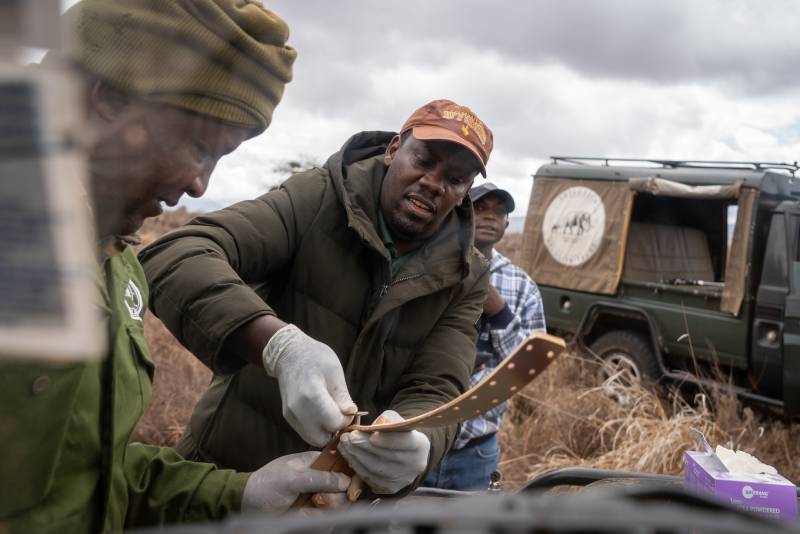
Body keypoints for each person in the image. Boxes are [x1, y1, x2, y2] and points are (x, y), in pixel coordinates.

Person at [0, 2, 351, 533]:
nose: (198, 185)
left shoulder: (117, 264)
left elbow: (88, 476)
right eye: (200, 148)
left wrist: (241, 494)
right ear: (111, 99)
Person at [138, 99, 495, 496]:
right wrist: (278, 346)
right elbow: (175, 254)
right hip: (225, 478)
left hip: (339, 505)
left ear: (465, 192)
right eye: (424, 159)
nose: (433, 182)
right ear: (394, 150)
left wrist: (420, 439)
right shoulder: (320, 198)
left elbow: (438, 386)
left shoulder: (466, 274)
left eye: (456, 179)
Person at [423, 183, 546, 491]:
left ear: (507, 223)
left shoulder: (522, 286)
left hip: (476, 450)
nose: (491, 217)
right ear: (461, 211)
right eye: (480, 208)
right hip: (417, 440)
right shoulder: (425, 267)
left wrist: (499, 309)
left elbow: (528, 366)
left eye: (500, 212)